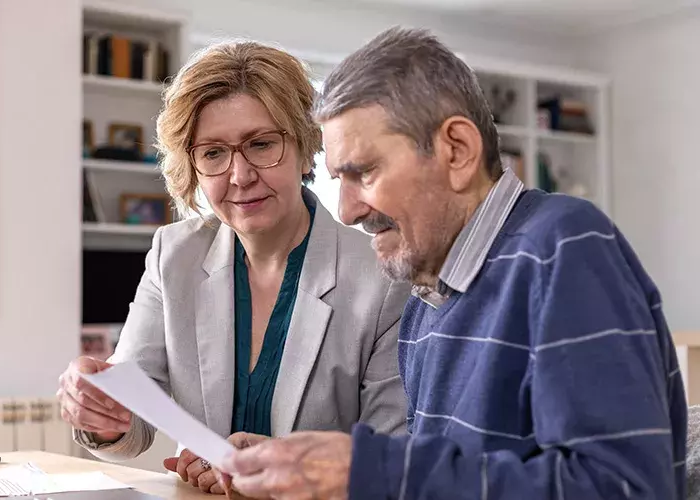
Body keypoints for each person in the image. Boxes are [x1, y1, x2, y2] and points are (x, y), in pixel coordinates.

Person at [218, 26, 687, 499]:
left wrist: (371, 472)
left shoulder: (563, 248)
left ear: (457, 151)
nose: (347, 210)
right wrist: (298, 468)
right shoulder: (426, 295)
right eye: (339, 180)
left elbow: (627, 489)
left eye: (364, 173)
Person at [56, 40, 410, 495]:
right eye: (213, 153)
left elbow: (392, 455)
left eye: (261, 144)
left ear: (305, 149)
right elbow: (132, 423)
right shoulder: (173, 255)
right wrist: (102, 413)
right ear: (192, 167)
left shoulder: (382, 278)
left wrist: (274, 469)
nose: (239, 175)